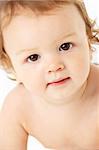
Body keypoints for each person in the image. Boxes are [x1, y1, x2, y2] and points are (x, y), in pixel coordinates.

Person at [0, 0, 99, 149]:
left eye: (65, 46)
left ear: (89, 41)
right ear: (10, 66)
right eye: (33, 57)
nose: (54, 66)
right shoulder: (18, 106)